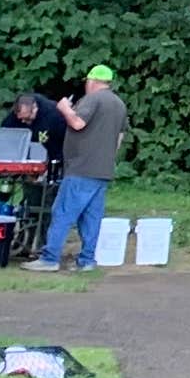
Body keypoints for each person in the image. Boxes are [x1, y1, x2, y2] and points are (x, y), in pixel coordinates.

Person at [39, 65, 127, 273]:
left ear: (92, 81)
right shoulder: (119, 104)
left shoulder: (93, 99)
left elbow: (78, 123)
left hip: (82, 168)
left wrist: (64, 108)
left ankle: (49, 258)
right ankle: (87, 261)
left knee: (62, 212)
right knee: (91, 218)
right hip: (102, 170)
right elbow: (120, 137)